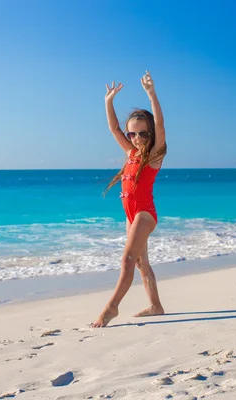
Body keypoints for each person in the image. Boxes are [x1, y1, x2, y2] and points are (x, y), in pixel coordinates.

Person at [92, 71, 167, 328]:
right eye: (132, 134)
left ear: (151, 135)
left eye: (141, 134)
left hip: (145, 214)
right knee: (140, 262)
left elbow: (160, 125)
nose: (135, 139)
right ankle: (156, 306)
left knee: (126, 260)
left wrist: (151, 94)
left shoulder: (154, 154)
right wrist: (108, 102)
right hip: (130, 215)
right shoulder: (130, 152)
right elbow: (114, 128)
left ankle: (111, 308)